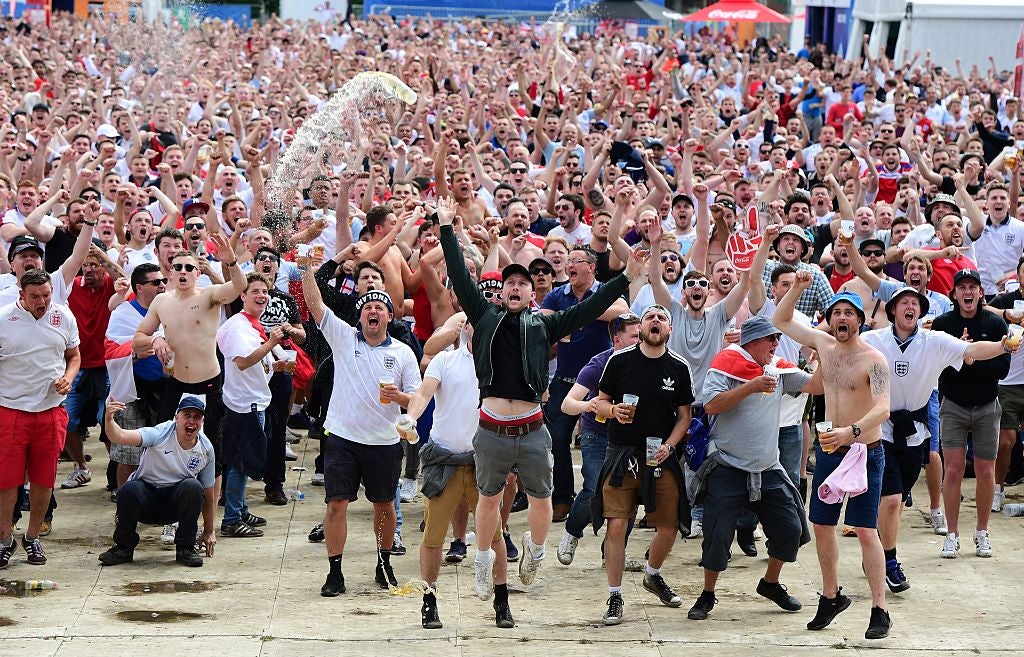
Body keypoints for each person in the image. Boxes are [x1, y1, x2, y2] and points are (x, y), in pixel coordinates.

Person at [437, 195, 642, 606]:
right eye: (509, 283)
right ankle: (481, 559)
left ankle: (537, 550)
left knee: (543, 499)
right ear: (500, 293)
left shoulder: (543, 323)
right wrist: (446, 228)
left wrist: (625, 279)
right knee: (489, 498)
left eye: (522, 283)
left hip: (531, 424)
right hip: (492, 426)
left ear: (533, 293)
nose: (514, 287)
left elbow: (590, 308)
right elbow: (460, 276)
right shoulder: (484, 315)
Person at [773, 279, 893, 640]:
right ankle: (831, 596)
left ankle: (879, 609)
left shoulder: (874, 360)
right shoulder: (824, 345)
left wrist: (852, 431)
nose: (842, 318)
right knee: (822, 525)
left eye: (849, 313)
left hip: (864, 452)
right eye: (836, 312)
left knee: (866, 530)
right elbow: (781, 320)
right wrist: (796, 286)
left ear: (859, 320)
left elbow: (884, 408)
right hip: (829, 451)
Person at [301, 262, 421, 597]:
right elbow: (315, 304)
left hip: (383, 442)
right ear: (360, 316)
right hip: (342, 438)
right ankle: (335, 572)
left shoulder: (403, 353)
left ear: (388, 316)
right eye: (367, 307)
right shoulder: (343, 339)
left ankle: (383, 565)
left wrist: (399, 397)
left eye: (379, 308)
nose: (373, 311)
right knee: (336, 504)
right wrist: (306, 269)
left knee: (385, 506)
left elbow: (417, 397)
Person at [688, 316, 819, 621]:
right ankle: (708, 593)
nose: (775, 343)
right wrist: (751, 386)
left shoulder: (777, 368)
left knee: (791, 529)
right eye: (770, 338)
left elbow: (816, 385)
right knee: (717, 534)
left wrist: (822, 354)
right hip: (727, 465)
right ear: (752, 340)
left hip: (768, 467)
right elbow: (710, 405)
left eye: (777, 338)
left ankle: (770, 584)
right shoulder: (727, 361)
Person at [402, 322, 512, 630]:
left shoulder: (502, 362)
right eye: (477, 321)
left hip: (484, 462)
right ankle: (429, 601)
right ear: (465, 328)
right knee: (433, 537)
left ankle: (501, 600)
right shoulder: (444, 360)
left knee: (495, 536)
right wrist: (410, 417)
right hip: (445, 460)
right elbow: (423, 393)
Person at [593, 303, 694, 625]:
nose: (655, 321)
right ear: (641, 329)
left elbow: (684, 417)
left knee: (669, 525)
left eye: (661, 317)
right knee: (618, 524)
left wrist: (670, 445)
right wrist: (613, 412)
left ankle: (653, 574)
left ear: (669, 330)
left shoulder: (679, 367)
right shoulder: (619, 360)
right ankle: (615, 595)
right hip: (622, 452)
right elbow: (601, 400)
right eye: (650, 316)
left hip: (659, 455)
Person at [132, 239, 247, 483]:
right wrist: (156, 341)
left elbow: (239, 286)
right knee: (165, 437)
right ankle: (168, 488)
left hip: (207, 382)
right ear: (170, 273)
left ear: (197, 273)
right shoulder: (162, 301)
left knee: (212, 440)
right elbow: (138, 338)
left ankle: (211, 501)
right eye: (178, 267)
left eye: (188, 268)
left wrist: (231, 261)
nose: (183, 271)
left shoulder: (209, 295)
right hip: (177, 383)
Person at [541, 244, 629, 521]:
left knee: (604, 439)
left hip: (602, 383)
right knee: (558, 440)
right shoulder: (557, 293)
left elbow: (622, 311)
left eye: (576, 261)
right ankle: (563, 499)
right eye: (568, 262)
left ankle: (606, 496)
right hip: (565, 380)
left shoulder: (603, 290)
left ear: (591, 267)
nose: (569, 266)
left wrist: (582, 312)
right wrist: (590, 312)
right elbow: (544, 319)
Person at [0, 268, 80, 569]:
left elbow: (74, 356)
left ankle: (33, 538)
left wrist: (69, 377)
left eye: (46, 295)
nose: (42, 301)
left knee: (44, 480)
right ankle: (4, 538)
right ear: (22, 294)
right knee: (7, 481)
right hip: (10, 409)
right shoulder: (3, 318)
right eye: (35, 297)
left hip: (50, 411)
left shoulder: (63, 316)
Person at [931, 269, 1011, 558]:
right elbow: (938, 367)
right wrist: (963, 354)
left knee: (985, 471)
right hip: (952, 405)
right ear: (954, 293)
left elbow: (1001, 368)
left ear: (980, 293)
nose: (967, 291)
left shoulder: (994, 322)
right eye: (961, 286)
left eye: (972, 287)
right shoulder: (942, 324)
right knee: (952, 471)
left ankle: (981, 532)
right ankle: (951, 534)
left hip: (987, 406)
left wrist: (967, 357)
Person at [556, 312, 641, 565]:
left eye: (642, 335)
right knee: (594, 488)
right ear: (617, 340)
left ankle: (613, 554)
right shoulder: (599, 364)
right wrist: (588, 405)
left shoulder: (649, 362)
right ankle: (572, 532)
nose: (641, 341)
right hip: (598, 434)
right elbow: (567, 404)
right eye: (635, 336)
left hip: (631, 438)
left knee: (631, 496)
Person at [98, 396, 216, 568]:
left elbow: (209, 492)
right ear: (177, 417)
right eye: (187, 415)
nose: (192, 421)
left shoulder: (206, 449)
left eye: (197, 417)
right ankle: (123, 548)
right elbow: (119, 436)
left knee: (193, 487)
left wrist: (209, 531)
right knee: (127, 489)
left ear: (202, 422)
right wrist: (108, 418)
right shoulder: (160, 433)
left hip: (174, 505)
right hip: (146, 500)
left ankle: (186, 548)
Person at [216, 273, 288, 538]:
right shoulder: (237, 326)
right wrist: (271, 343)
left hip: (254, 400)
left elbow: (254, 361)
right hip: (244, 405)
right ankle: (232, 518)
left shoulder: (251, 324)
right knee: (240, 463)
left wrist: (274, 363)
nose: (261, 296)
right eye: (254, 291)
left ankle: (241, 509)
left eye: (265, 291)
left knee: (244, 460)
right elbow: (243, 362)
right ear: (242, 296)